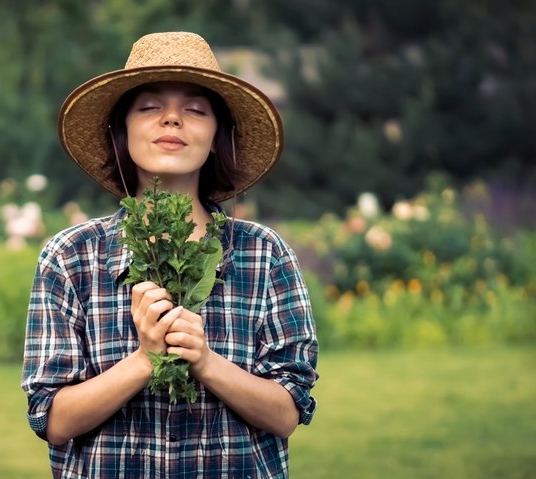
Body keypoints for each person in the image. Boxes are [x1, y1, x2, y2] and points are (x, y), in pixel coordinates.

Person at [21, 31, 318, 479]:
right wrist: (145, 358)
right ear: (122, 130)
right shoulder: (70, 257)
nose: (173, 120)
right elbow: (53, 420)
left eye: (196, 110)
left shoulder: (264, 254)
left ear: (218, 135)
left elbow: (287, 413)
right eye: (150, 107)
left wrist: (204, 360)